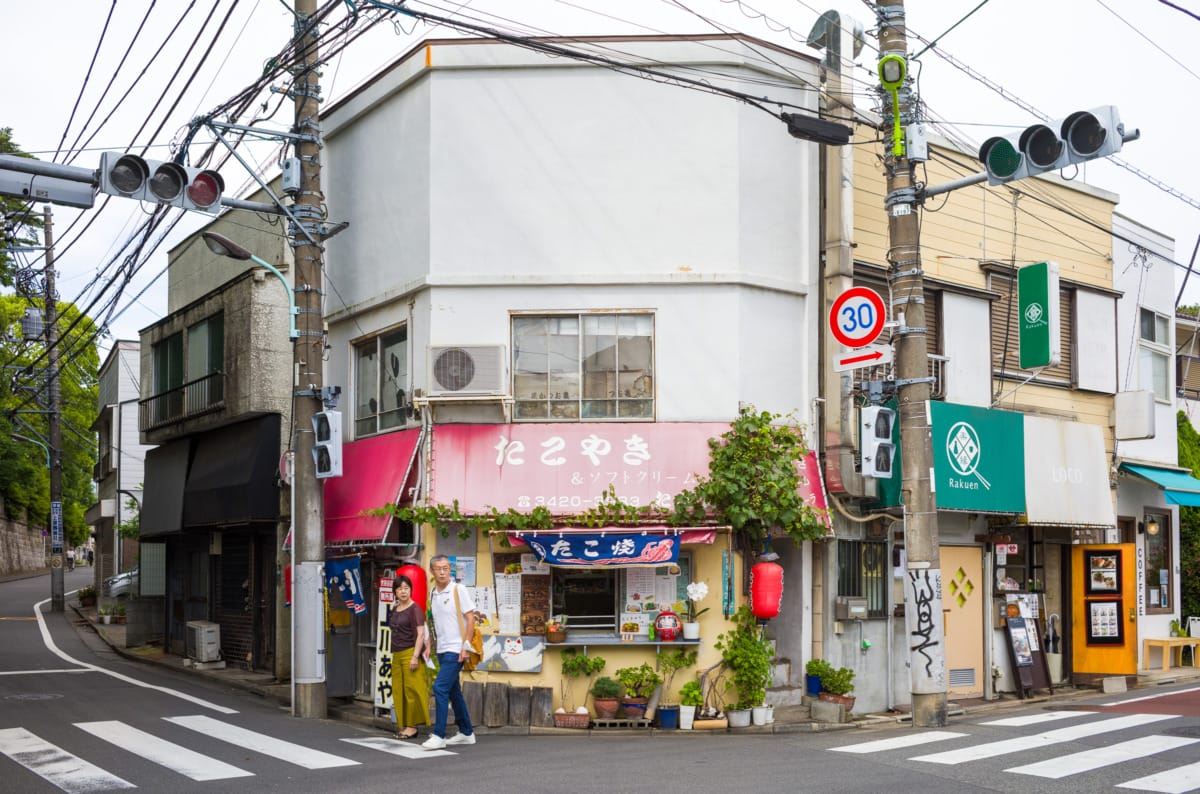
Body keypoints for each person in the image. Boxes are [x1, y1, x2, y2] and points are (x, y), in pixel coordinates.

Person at [421, 554, 476, 750]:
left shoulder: (458, 589)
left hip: (457, 648)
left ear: (450, 569)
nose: (443, 572)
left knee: (440, 688)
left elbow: (470, 619)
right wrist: (428, 646)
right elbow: (432, 622)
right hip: (443, 649)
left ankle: (439, 735)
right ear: (432, 571)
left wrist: (466, 646)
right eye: (439, 568)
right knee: (454, 692)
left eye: (446, 568)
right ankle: (466, 732)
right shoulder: (433, 593)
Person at [387, 574, 429, 739]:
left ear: (411, 590)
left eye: (406, 588)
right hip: (396, 654)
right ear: (395, 592)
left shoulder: (414, 609)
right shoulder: (395, 608)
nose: (403, 592)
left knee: (412, 691)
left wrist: (414, 656)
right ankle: (404, 725)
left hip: (410, 653)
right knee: (399, 690)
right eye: (399, 589)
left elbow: (420, 634)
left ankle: (412, 727)